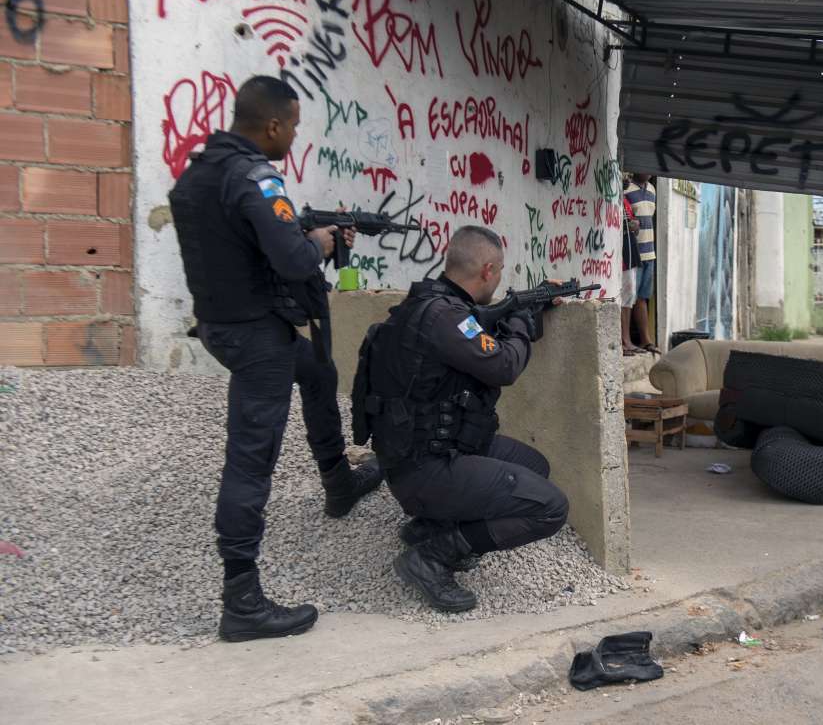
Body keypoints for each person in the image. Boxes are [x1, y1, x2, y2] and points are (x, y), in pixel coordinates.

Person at [168, 76, 382, 642]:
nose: (292, 136)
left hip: (224, 324)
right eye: (292, 125)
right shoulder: (255, 176)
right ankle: (241, 599)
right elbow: (291, 258)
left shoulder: (197, 173)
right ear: (272, 125)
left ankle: (338, 481)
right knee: (250, 458)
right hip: (256, 335)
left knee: (317, 370)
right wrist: (321, 242)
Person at [352, 226, 569, 612]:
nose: (500, 279)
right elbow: (503, 365)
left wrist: (533, 303)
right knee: (551, 507)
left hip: (421, 452)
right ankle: (433, 556)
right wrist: (520, 320)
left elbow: (476, 336)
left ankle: (431, 524)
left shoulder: (431, 305)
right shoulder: (446, 318)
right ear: (487, 270)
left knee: (537, 466)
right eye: (500, 271)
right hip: (424, 469)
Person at [624, 173, 658, 353]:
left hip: (649, 253)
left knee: (643, 297)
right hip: (633, 254)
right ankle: (626, 340)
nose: (649, 172)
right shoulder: (626, 189)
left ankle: (646, 340)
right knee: (629, 298)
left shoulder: (652, 190)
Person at [619, 185, 642, 355]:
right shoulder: (615, 199)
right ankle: (622, 340)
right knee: (623, 298)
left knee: (629, 297)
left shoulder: (625, 200)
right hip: (621, 255)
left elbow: (633, 224)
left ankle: (627, 339)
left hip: (630, 251)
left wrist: (635, 224)